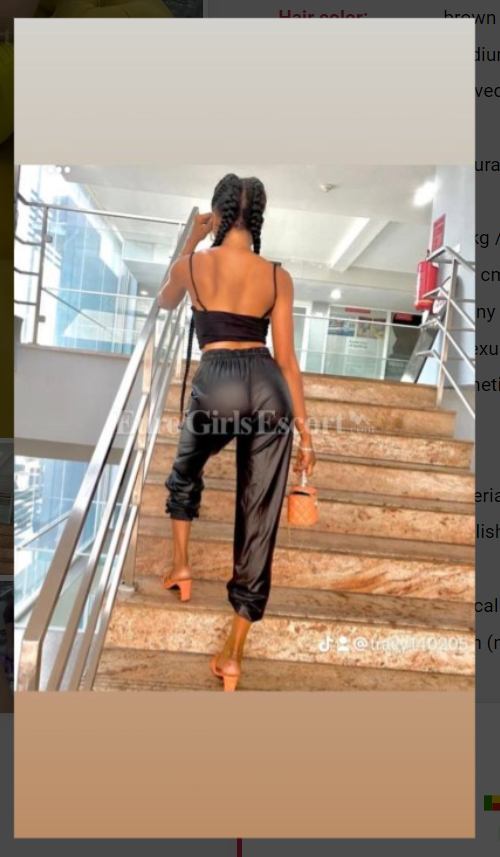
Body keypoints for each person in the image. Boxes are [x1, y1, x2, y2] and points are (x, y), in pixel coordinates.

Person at [158, 173, 316, 691]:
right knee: (258, 516)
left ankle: (181, 567)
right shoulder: (277, 276)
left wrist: (192, 238)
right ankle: (233, 654)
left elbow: (165, 301)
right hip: (268, 387)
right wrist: (307, 435)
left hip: (217, 382)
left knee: (185, 473)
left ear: (218, 212)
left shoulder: (192, 265)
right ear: (259, 217)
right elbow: (288, 361)